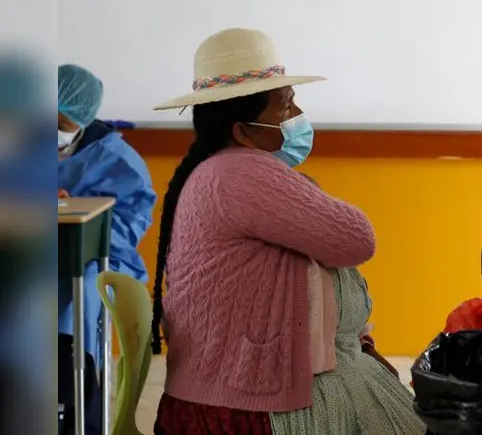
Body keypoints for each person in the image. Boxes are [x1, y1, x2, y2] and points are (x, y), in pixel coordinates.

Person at [150, 28, 423, 435]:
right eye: (285, 106)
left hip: (217, 391)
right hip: (244, 407)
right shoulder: (242, 173)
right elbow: (355, 238)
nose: (296, 117)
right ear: (243, 130)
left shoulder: (218, 170)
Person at [57, 63, 155, 370]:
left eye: (61, 123)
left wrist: (80, 214)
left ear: (81, 118)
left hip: (99, 257)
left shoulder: (116, 159)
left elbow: (128, 227)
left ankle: (80, 384)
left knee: (82, 291)